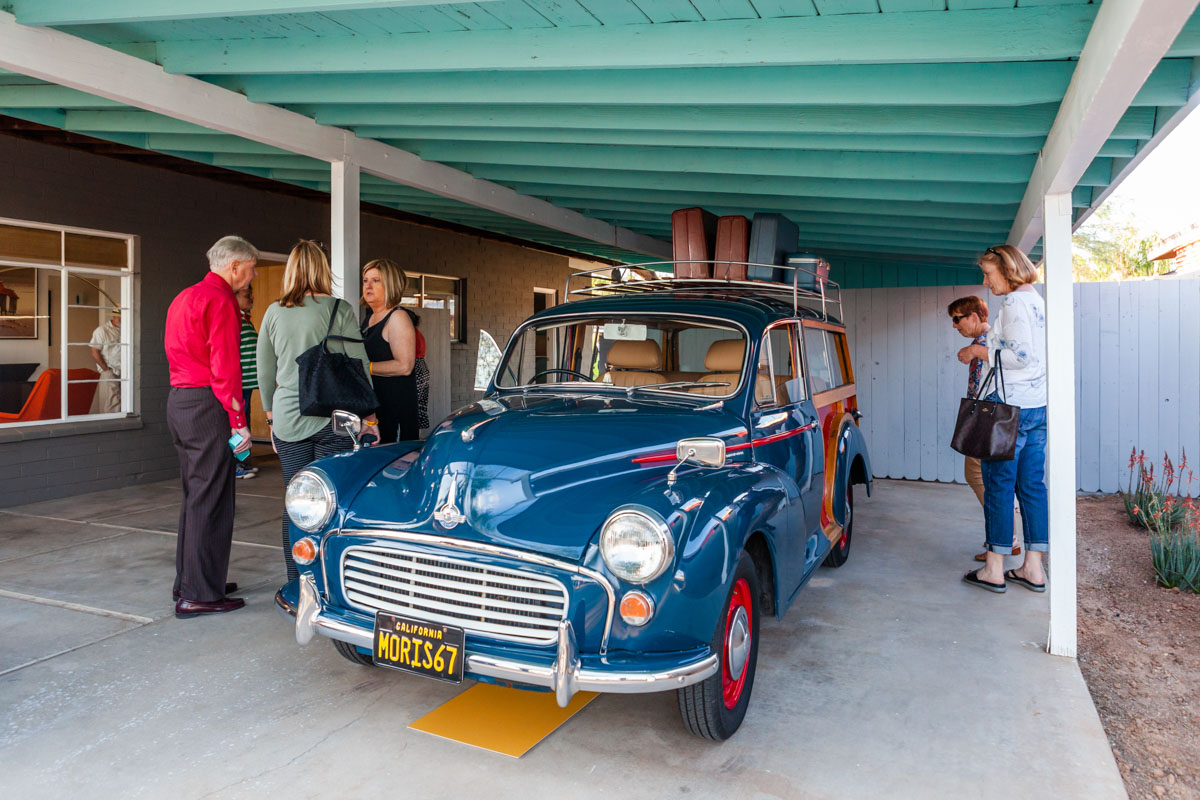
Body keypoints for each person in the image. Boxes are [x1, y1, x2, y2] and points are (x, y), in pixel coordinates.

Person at [257, 240, 375, 581]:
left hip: (289, 418)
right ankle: (327, 581)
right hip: (334, 417)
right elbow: (359, 364)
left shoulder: (274, 312)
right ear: (323, 269)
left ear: (291, 269)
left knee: (296, 503)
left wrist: (270, 417)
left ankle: (296, 582)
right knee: (330, 502)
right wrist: (370, 418)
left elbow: (265, 370)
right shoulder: (339, 309)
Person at [164, 235, 257, 618]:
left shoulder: (184, 296)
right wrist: (239, 421)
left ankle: (193, 580)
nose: (251, 278)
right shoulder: (221, 300)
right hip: (207, 404)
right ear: (234, 266)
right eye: (251, 270)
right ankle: (199, 593)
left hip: (180, 401)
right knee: (213, 498)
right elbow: (226, 367)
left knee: (195, 495)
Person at [961, 245, 1049, 594]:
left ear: (1007, 270)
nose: (985, 281)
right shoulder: (1036, 301)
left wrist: (978, 351)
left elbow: (1020, 357)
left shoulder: (1013, 304)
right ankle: (1033, 568)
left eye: (988, 274)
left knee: (998, 486)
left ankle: (994, 569)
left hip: (1008, 410)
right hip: (1036, 407)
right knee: (1031, 488)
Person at [949, 296, 1019, 563]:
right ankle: (1005, 536)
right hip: (988, 418)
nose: (955, 325)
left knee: (980, 476)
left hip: (986, 419)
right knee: (983, 476)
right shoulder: (987, 343)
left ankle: (1005, 537)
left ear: (975, 316)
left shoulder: (985, 343)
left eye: (958, 318)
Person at [360, 258, 419, 443]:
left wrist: (364, 368)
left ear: (391, 285)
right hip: (375, 411)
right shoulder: (369, 319)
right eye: (365, 280)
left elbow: (404, 366)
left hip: (395, 412)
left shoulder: (398, 317)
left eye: (375, 280)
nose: (368, 286)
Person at [235, 285, 259, 480]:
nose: (251, 297)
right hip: (237, 383)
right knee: (237, 424)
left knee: (245, 423)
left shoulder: (245, 319)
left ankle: (244, 461)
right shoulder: (234, 319)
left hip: (247, 384)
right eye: (246, 294)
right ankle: (237, 464)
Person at [89, 310, 122, 414]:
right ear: (113, 316)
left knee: (125, 397)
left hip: (125, 368)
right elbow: (94, 351)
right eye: (118, 316)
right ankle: (112, 423)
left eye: (122, 316)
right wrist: (106, 369)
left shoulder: (126, 329)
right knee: (113, 398)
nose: (120, 319)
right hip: (110, 368)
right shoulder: (102, 330)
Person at [409, 310, 431, 431]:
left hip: (415, 366)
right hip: (422, 366)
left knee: (412, 404)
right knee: (420, 403)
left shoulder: (410, 333)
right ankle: (417, 433)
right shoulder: (418, 333)